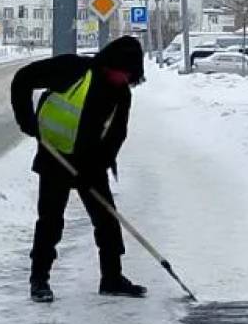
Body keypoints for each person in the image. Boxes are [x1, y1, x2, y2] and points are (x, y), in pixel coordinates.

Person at [11, 36, 148, 303]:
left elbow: (116, 136)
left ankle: (112, 278)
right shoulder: (73, 69)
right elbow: (23, 79)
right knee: (50, 222)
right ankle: (39, 280)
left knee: (107, 221)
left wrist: (97, 166)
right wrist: (26, 120)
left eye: (130, 76)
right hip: (55, 158)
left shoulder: (121, 93)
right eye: (124, 73)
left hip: (90, 166)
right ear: (111, 64)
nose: (126, 80)